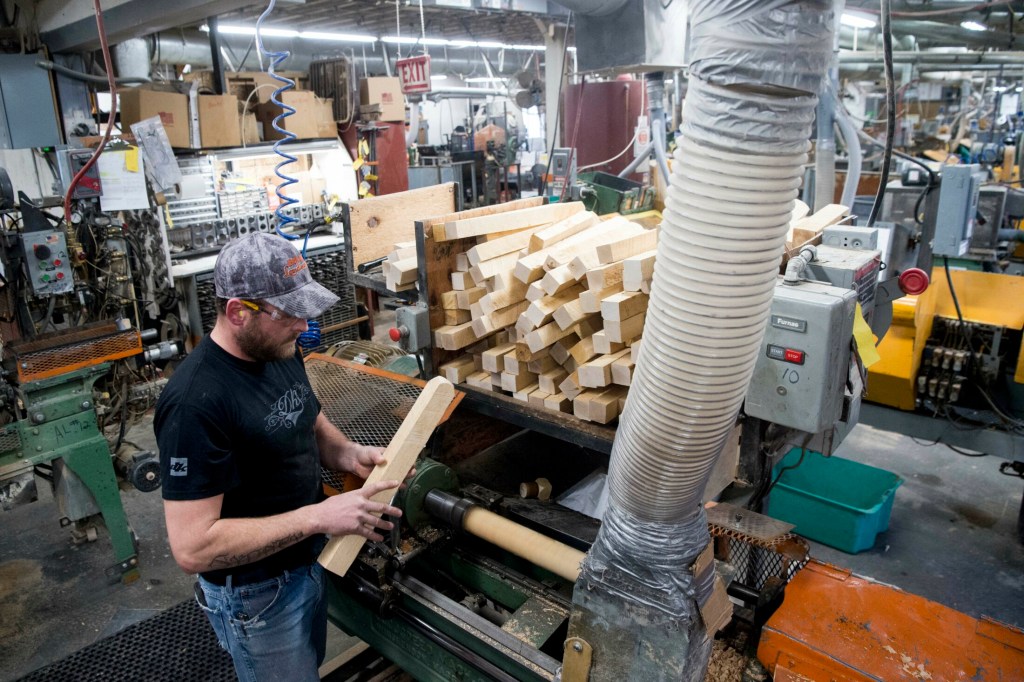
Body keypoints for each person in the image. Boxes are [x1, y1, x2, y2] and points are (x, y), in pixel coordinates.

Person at [155, 233, 402, 682]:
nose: (303, 326)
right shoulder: (195, 404)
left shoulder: (278, 348)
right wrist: (316, 517)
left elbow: (305, 414)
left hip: (306, 563)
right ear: (237, 313)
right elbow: (193, 547)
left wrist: (345, 452)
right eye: (290, 314)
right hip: (257, 596)